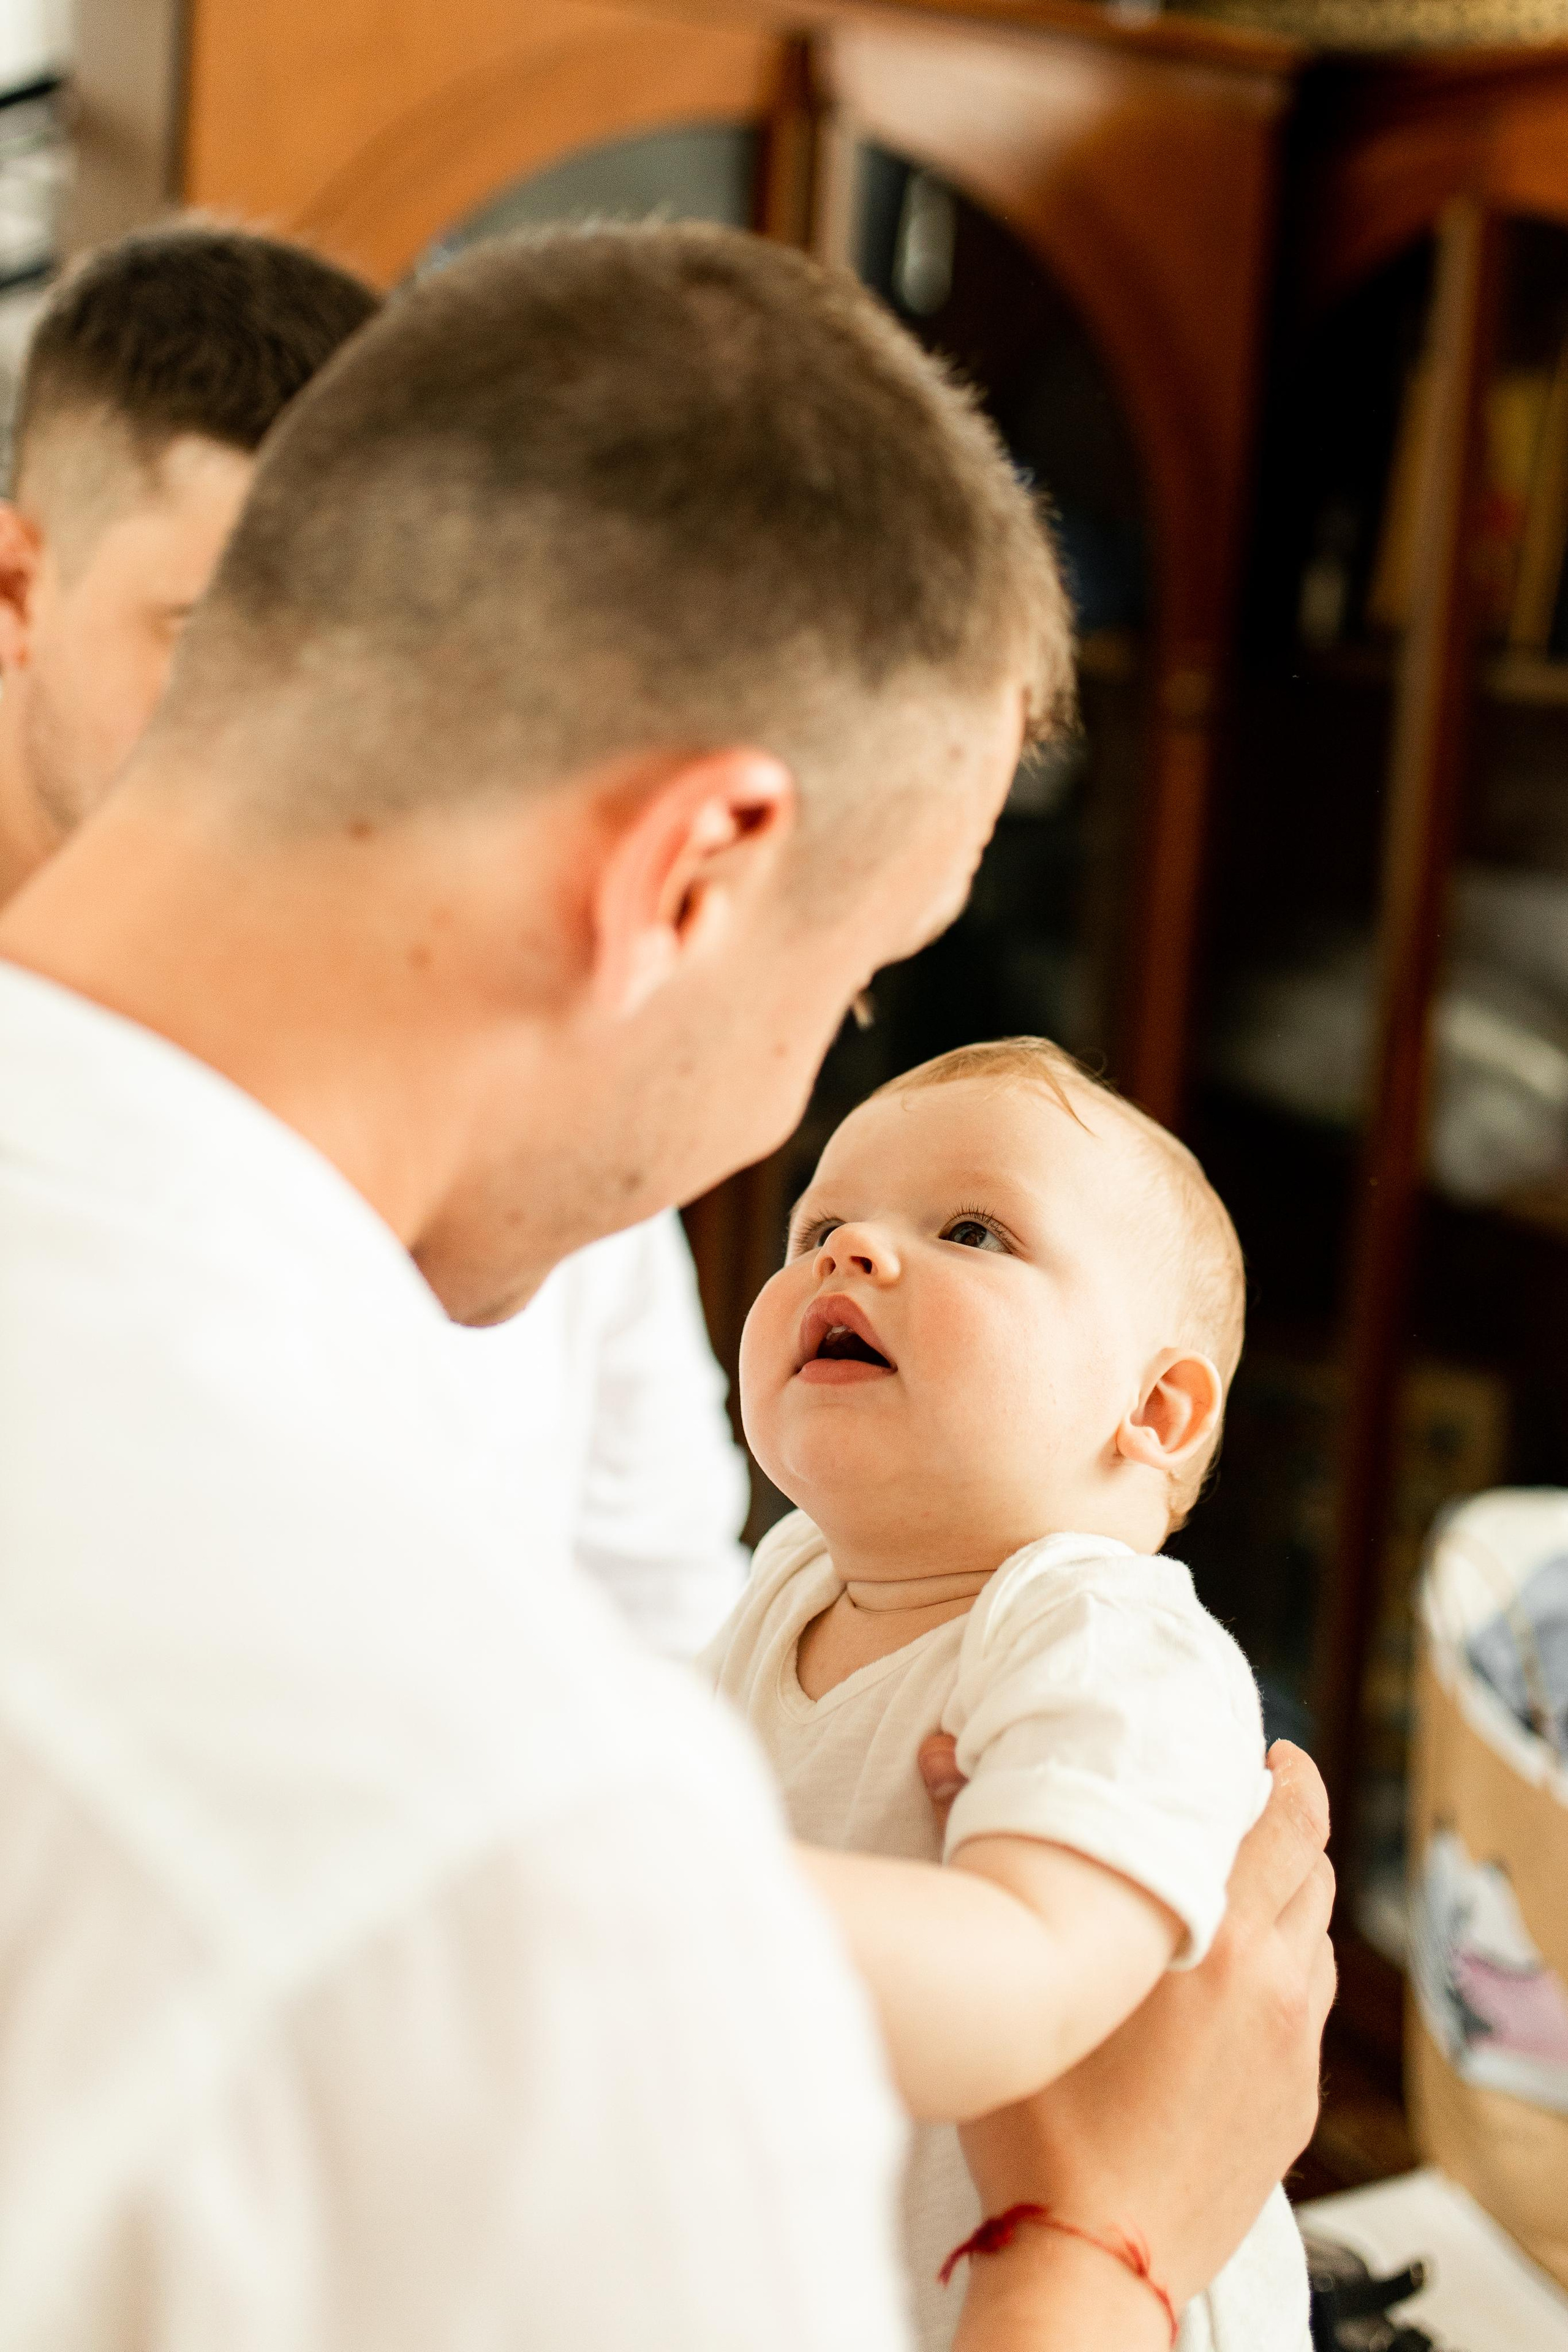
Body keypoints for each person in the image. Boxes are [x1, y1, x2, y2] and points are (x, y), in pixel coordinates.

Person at [0, 223, 1333, 2346]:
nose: (792, 1135)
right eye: (855, 979)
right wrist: (1117, 2244)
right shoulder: (509, 1857)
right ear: (689, 877)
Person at [0, 222, 748, 1657]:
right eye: (216, 633)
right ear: (20, 591)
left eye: (370, 655)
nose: (307, 741)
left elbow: (663, 1624)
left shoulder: (526, 1078)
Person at [707, 1034, 1313, 2350]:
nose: (848, 1252)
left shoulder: (1102, 1635)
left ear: (1152, 1411)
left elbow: (1030, 1980)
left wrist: (622, 1883)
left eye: (971, 1230)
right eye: (818, 1223)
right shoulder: (790, 1579)